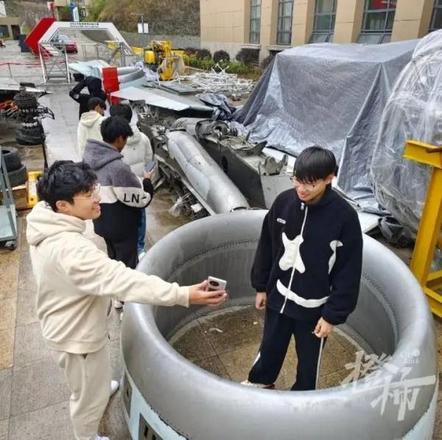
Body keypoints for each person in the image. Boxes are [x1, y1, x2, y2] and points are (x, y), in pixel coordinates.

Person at [27, 160, 227, 440]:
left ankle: (97, 388)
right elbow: (124, 281)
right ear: (63, 205)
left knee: (92, 379)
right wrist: (183, 294)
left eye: (93, 187)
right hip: (75, 336)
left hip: (69, 321)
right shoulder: (71, 252)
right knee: (86, 398)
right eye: (88, 194)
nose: (98, 197)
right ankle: (86, 435)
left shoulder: (43, 216)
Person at [242, 146, 363, 391]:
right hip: (278, 297)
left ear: (329, 178)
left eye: (310, 183)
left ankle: (304, 398)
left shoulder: (344, 218)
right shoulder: (284, 202)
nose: (302, 189)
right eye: (297, 180)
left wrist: (331, 316)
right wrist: (261, 286)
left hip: (314, 309)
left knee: (309, 362)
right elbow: (267, 245)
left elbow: (349, 271)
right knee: (269, 347)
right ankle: (261, 382)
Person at [83, 116, 152, 309]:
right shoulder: (117, 167)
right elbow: (139, 198)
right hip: (121, 225)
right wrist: (147, 182)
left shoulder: (89, 157)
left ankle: (115, 297)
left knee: (113, 258)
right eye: (125, 140)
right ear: (119, 138)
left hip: (101, 220)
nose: (125, 144)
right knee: (128, 264)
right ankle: (127, 303)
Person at [109, 103, 153, 258]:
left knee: (123, 217)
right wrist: (147, 179)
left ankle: (124, 247)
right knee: (140, 215)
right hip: (139, 185)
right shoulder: (144, 138)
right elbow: (150, 161)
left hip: (121, 186)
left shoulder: (114, 140)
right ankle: (140, 248)